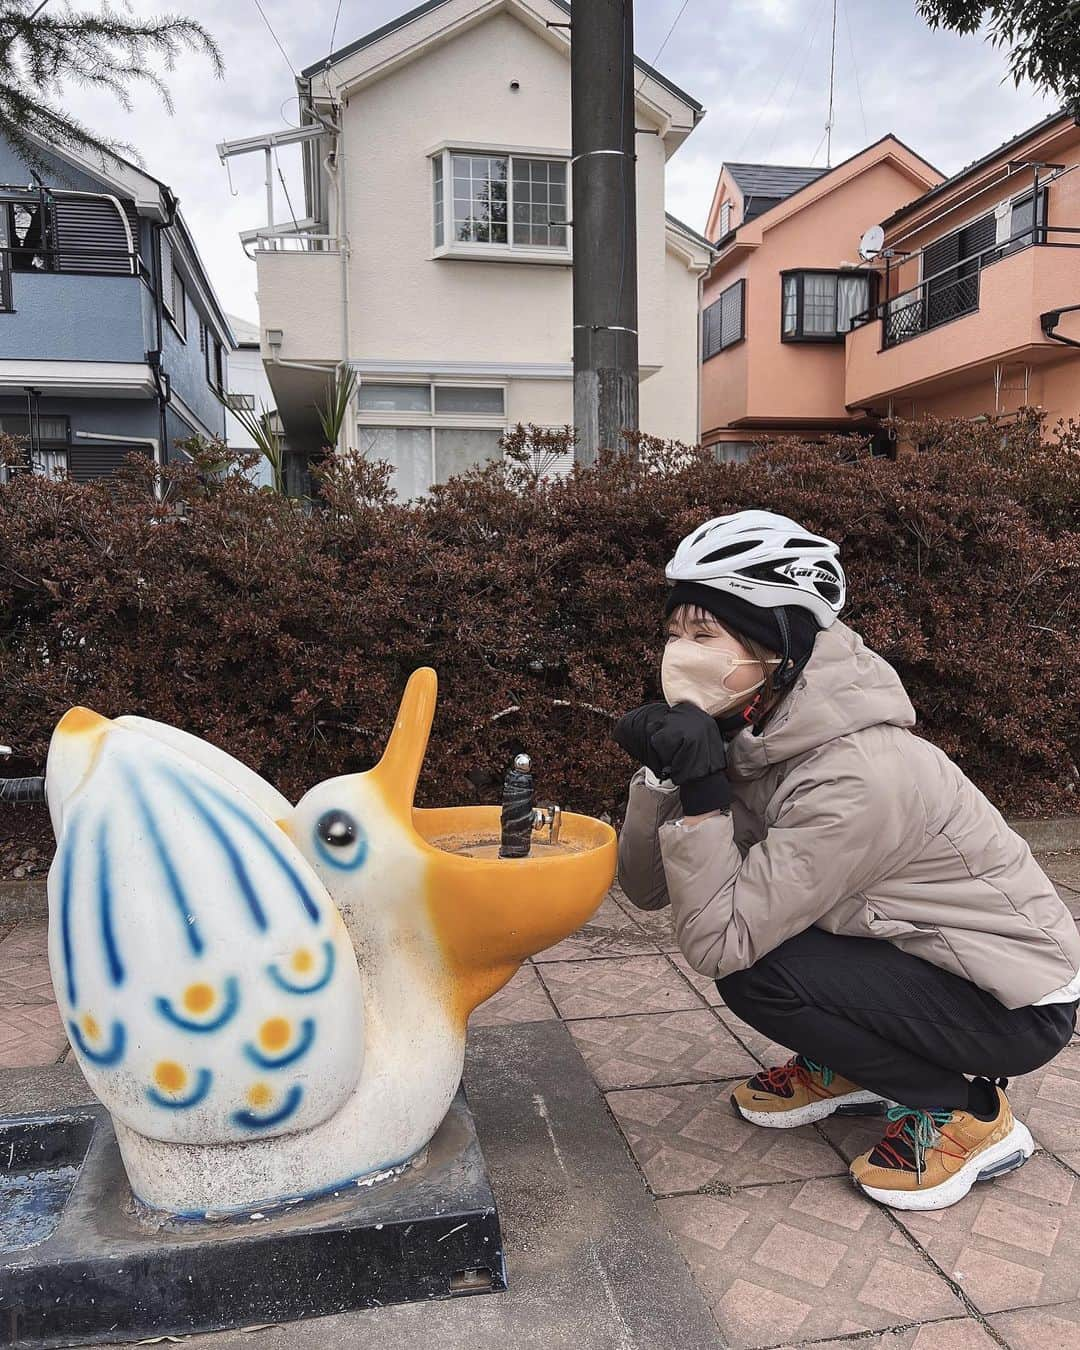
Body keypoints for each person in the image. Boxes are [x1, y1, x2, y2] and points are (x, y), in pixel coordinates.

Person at [614, 509, 1079, 1212]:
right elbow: (645, 890)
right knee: (770, 953)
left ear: (780, 647)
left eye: (705, 634)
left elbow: (719, 944)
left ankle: (968, 1114)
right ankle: (846, 1067)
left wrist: (704, 793)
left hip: (1011, 1002)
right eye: (674, 633)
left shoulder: (855, 772)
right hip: (912, 953)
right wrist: (661, 778)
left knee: (757, 974)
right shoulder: (752, 727)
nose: (680, 652)